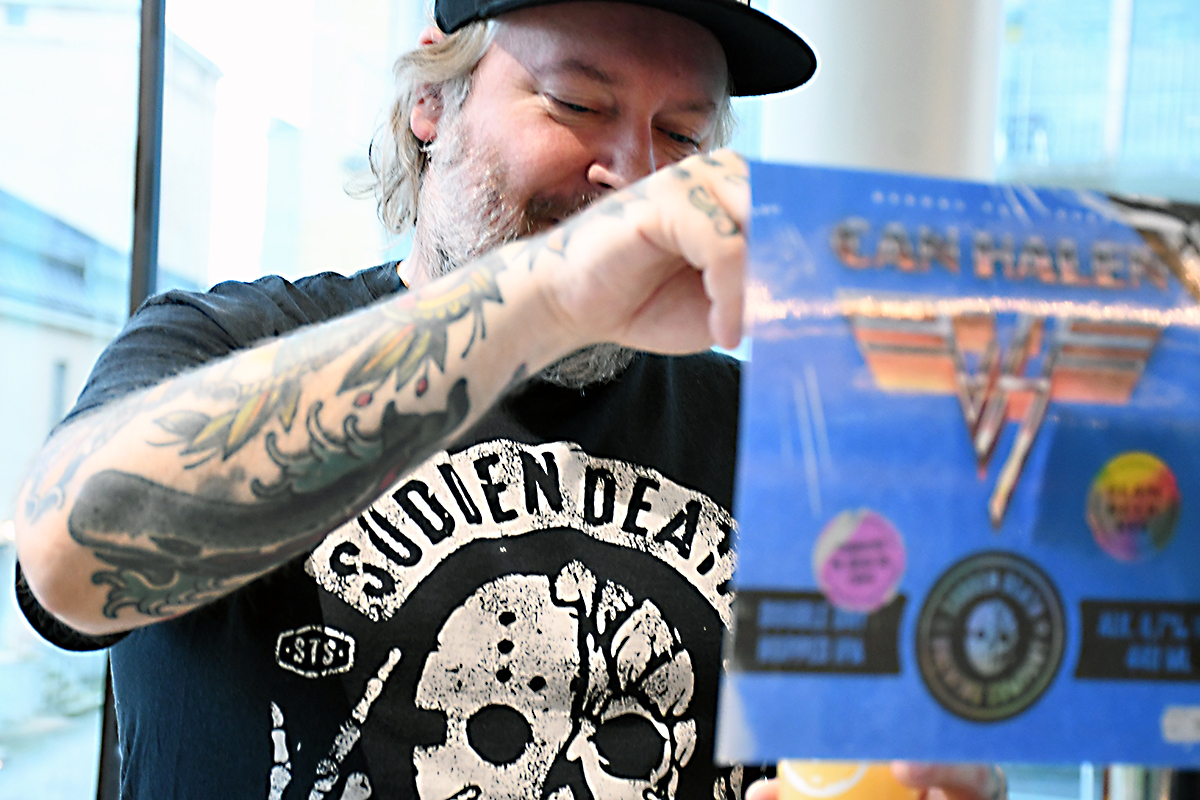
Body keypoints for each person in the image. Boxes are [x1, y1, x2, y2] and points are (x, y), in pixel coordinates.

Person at [13, 1, 1007, 798]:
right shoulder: (230, 346)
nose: (636, 176)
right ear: (431, 97)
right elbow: (67, 564)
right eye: (575, 103)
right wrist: (552, 293)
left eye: (682, 134)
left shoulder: (790, 436)